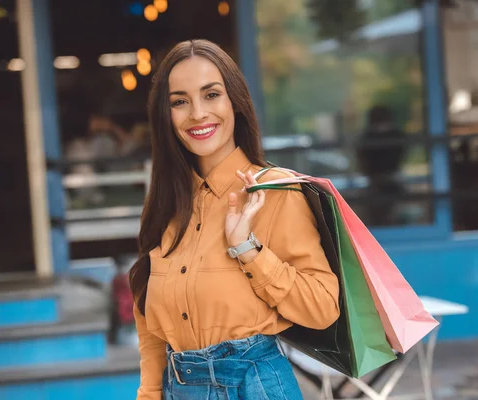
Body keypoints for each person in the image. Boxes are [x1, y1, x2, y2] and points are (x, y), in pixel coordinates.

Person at [128, 39, 340, 400]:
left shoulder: (273, 192)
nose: (197, 114)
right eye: (180, 101)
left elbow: (323, 309)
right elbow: (149, 322)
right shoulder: (167, 203)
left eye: (211, 95)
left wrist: (248, 250)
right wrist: (149, 393)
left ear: (235, 102)